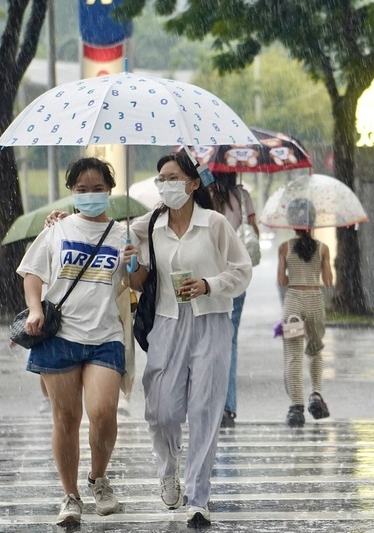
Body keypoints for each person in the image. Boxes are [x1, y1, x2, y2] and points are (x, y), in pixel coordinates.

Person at [127, 152, 252, 527]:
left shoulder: (214, 224)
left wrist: (209, 284)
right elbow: (107, 233)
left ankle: (198, 497)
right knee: (161, 410)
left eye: (173, 177)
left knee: (204, 411)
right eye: (160, 178)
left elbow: (241, 270)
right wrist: (131, 262)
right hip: (166, 323)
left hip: (211, 321)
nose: (166, 184)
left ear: (193, 183)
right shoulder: (148, 225)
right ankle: (169, 469)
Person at [16, 157, 137, 525]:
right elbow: (32, 273)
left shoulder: (123, 234)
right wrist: (35, 310)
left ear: (109, 191)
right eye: (82, 189)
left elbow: (135, 285)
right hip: (60, 336)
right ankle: (70, 495)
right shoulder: (57, 229)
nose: (90, 195)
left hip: (106, 335)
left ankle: (98, 478)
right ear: (71, 192)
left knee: (103, 412)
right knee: (66, 418)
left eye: (97, 188)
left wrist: (133, 264)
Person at [208, 171, 260, 429]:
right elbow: (254, 233)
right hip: (235, 275)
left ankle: (209, 403)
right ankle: (228, 406)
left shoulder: (204, 194)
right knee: (230, 340)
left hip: (208, 275)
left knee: (206, 339)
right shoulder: (242, 195)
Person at [276, 198, 333, 427]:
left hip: (293, 303)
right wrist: (322, 266)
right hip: (315, 302)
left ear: (292, 223)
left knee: (293, 355)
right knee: (315, 350)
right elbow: (328, 281)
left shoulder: (284, 247)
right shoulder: (323, 248)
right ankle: (316, 394)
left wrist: (291, 271)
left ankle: (296, 407)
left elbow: (281, 281)